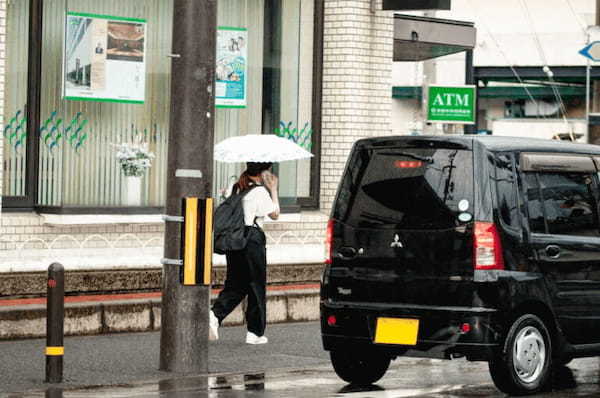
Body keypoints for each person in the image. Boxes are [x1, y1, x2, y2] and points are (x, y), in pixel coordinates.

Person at [210, 162, 280, 344]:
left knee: (236, 283)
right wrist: (273, 189)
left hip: (235, 241)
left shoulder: (237, 189)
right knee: (256, 285)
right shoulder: (259, 192)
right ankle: (255, 333)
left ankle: (214, 315)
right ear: (263, 173)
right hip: (252, 240)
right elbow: (275, 214)